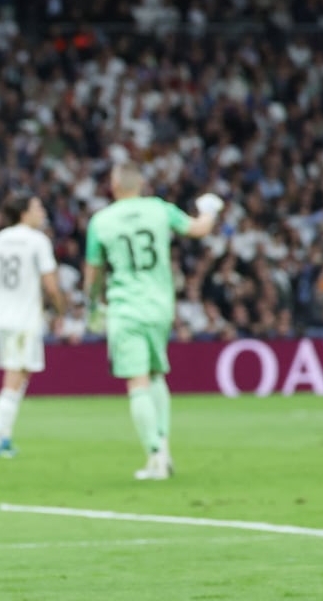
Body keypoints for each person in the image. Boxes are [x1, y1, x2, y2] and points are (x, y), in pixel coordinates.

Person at [83, 161, 222, 480]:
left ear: (114, 187)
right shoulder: (159, 210)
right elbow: (199, 229)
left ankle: (155, 456)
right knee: (157, 375)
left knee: (137, 382)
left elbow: (93, 271)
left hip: (125, 307)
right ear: (142, 184)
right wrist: (210, 208)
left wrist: (92, 305)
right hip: (161, 306)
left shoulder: (101, 221)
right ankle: (164, 450)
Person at [0, 192, 65, 458]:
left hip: (2, 316)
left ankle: (4, 437)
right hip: (24, 320)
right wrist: (60, 312)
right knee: (13, 379)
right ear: (24, 212)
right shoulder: (38, 241)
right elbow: (51, 285)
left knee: (21, 375)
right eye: (37, 207)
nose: (42, 211)